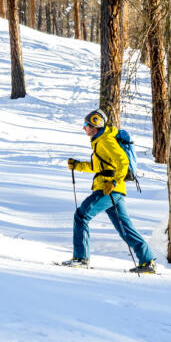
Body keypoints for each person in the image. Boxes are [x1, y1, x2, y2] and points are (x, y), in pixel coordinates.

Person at [62, 108, 156, 274]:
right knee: (125, 228)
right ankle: (147, 261)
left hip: (108, 189)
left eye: (86, 124)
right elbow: (98, 167)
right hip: (113, 190)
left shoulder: (105, 140)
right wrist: (78, 165)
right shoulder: (100, 141)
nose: (84, 128)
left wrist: (113, 181)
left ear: (95, 125)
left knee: (81, 216)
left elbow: (123, 160)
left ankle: (81, 258)